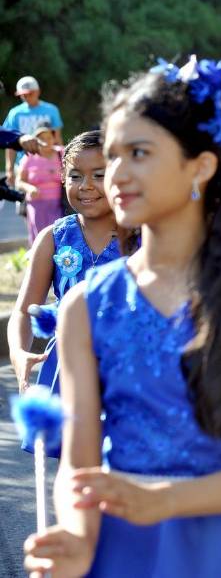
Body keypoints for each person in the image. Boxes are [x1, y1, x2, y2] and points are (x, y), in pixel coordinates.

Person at [22, 57, 221, 577]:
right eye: (114, 156)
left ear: (200, 166)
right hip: (126, 548)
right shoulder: (86, 304)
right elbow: (77, 466)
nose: (119, 174)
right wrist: (78, 542)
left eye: (140, 153)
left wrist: (165, 499)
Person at [7, 131, 122, 450]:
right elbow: (23, 309)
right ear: (62, 179)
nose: (86, 185)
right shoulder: (54, 237)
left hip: (129, 367)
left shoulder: (143, 235)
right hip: (68, 367)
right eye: (75, 176)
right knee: (76, 471)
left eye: (99, 175)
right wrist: (19, 355)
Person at [3, 75, 64, 186]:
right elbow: (10, 143)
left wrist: (63, 161)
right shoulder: (15, 113)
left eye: (30, 93)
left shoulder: (51, 110)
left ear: (38, 91)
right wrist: (9, 169)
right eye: (23, 95)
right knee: (23, 198)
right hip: (23, 163)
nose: (27, 97)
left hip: (49, 163)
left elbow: (57, 138)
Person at [16, 125, 64, 243]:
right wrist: (30, 188)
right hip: (36, 205)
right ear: (35, 140)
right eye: (41, 138)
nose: (45, 141)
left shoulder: (62, 153)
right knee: (40, 238)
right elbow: (19, 182)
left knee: (59, 235)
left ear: (54, 138)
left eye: (48, 137)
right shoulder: (28, 157)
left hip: (59, 204)